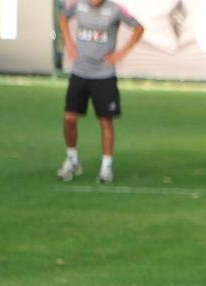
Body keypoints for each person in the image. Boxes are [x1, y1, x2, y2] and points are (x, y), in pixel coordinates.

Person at [56, 0, 145, 184]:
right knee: (69, 117)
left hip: (104, 75)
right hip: (80, 72)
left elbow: (138, 28)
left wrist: (121, 54)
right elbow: (63, 17)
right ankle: (72, 160)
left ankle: (106, 167)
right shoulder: (77, 5)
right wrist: (69, 44)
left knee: (105, 120)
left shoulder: (115, 10)